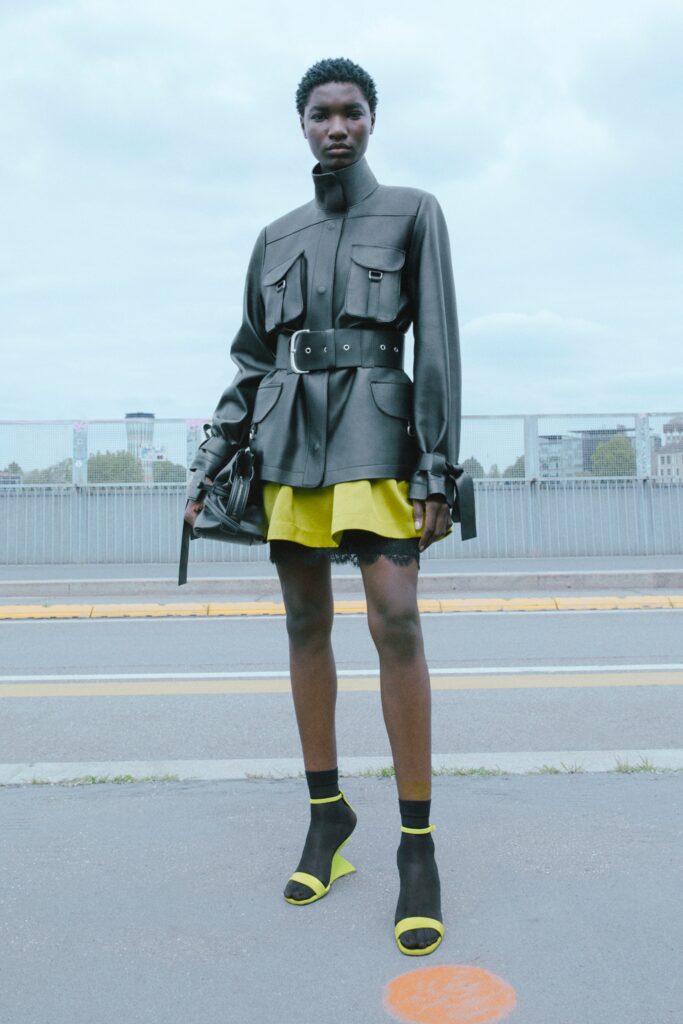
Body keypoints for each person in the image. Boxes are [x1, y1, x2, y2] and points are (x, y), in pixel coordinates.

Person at [184, 57, 476, 956]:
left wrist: (433, 468)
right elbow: (250, 358)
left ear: (372, 121)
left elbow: (437, 345)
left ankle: (417, 850)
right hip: (286, 447)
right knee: (304, 624)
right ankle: (328, 818)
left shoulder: (415, 210)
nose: (335, 126)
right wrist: (211, 461)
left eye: (350, 111)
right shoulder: (274, 236)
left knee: (397, 622)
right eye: (320, 113)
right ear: (302, 125)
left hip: (377, 440)